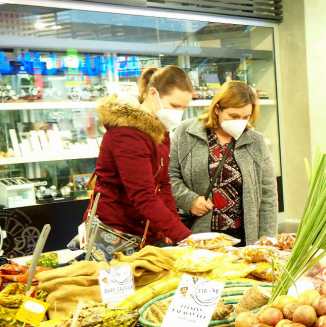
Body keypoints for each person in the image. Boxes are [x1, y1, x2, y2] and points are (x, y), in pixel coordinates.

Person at [88, 66, 194, 259]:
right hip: (115, 232)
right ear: (153, 94)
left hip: (142, 229)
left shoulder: (159, 129)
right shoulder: (128, 133)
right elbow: (143, 195)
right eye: (175, 105)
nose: (179, 113)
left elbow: (162, 183)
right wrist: (185, 237)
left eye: (184, 108)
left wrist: (171, 227)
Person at [169, 80, 278, 246]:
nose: (239, 122)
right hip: (199, 234)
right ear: (217, 109)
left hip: (243, 237)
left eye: (245, 117)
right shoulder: (185, 133)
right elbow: (169, 176)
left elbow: (268, 194)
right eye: (234, 116)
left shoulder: (256, 142)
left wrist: (267, 241)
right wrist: (189, 200)